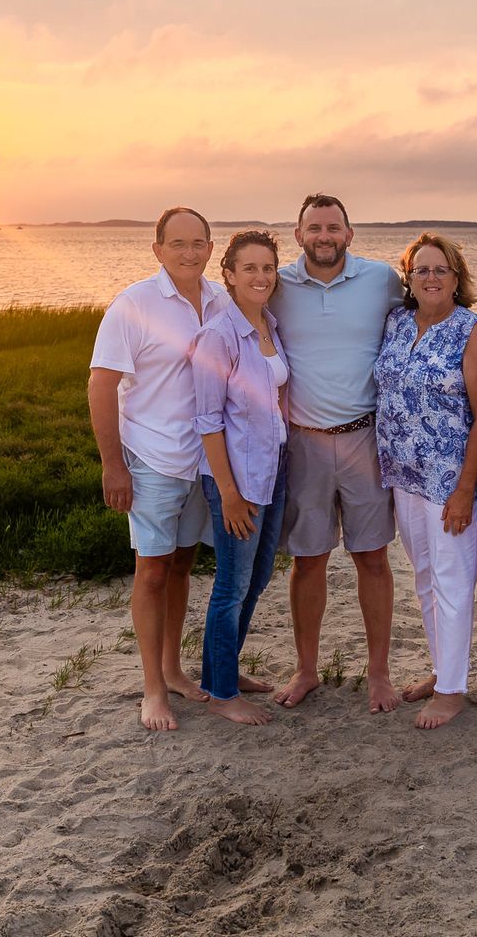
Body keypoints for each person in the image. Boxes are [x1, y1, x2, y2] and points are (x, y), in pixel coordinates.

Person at [89, 207, 230, 732]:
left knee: (181, 566)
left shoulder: (220, 300)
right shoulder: (134, 305)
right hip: (152, 458)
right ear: (157, 250)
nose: (189, 252)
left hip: (204, 460)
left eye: (199, 242)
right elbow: (102, 385)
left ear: (211, 247)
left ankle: (173, 668)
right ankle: (152, 688)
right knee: (151, 571)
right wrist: (113, 465)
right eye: (178, 244)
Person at [268, 192, 405, 712]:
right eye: (314, 228)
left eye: (333, 228)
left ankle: (379, 674)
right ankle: (306, 669)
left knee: (372, 557)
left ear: (350, 234)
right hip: (302, 441)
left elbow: (426, 316)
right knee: (308, 560)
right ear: (298, 234)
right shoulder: (278, 284)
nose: (324, 237)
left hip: (365, 437)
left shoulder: (382, 280)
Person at [373, 232, 477, 729]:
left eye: (440, 269)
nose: (430, 278)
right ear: (409, 278)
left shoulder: (471, 330)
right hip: (403, 474)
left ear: (456, 277)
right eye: (421, 270)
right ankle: (443, 671)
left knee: (452, 581)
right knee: (424, 577)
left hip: (450, 480)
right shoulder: (397, 323)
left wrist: (466, 488)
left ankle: (452, 692)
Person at [190, 230, 291, 726]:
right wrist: (228, 494)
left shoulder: (269, 323)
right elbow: (207, 421)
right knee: (231, 586)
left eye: (268, 268)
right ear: (227, 275)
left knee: (256, 578)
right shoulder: (219, 334)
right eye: (248, 268)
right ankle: (224, 694)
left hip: (273, 469)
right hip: (237, 481)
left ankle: (221, 673)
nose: (260, 277)